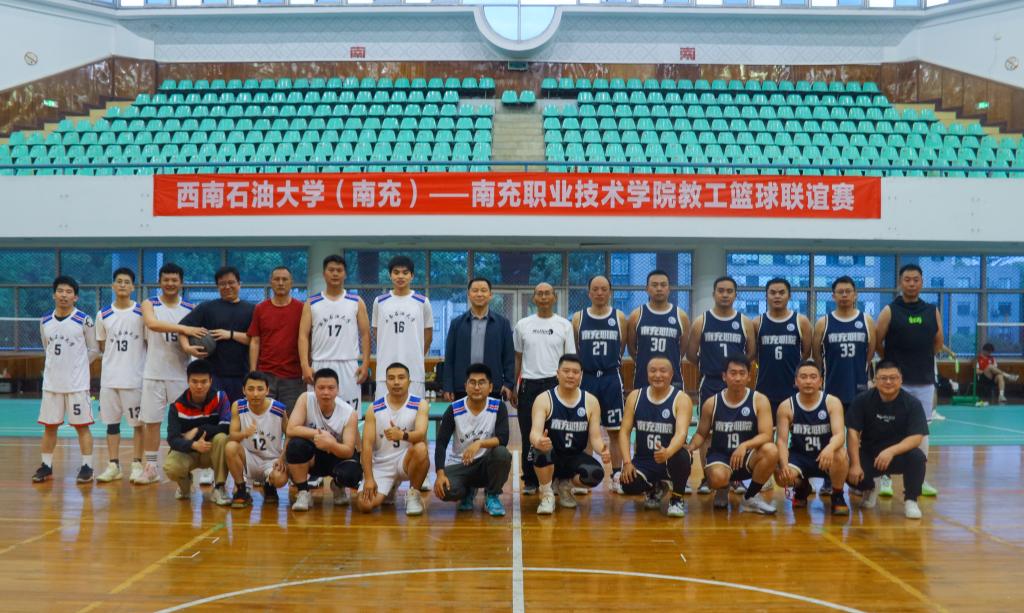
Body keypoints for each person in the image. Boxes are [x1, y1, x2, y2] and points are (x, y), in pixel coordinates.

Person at [875, 263, 943, 497]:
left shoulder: (932, 310)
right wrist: (892, 365)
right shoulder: (890, 310)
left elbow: (938, 342)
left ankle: (918, 479)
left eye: (916, 279)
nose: (911, 283)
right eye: (907, 279)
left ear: (921, 282)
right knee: (889, 426)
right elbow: (877, 342)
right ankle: (885, 478)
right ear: (900, 282)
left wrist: (920, 360)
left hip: (923, 380)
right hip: (896, 383)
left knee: (921, 430)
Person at [686, 276, 755, 495]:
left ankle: (736, 477)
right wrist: (711, 366)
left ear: (735, 294)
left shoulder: (744, 322)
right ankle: (708, 477)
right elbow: (691, 353)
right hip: (711, 381)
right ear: (714, 293)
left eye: (729, 291)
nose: (725, 294)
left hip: (737, 385)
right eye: (721, 290)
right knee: (706, 433)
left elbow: (751, 353)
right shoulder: (701, 321)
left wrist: (735, 373)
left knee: (739, 429)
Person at [687, 356, 778, 514]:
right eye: (733, 373)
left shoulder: (759, 400)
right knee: (717, 477)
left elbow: (766, 434)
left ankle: (751, 497)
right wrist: (690, 447)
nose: (737, 378)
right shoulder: (712, 403)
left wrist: (745, 445)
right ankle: (722, 489)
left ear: (749, 377)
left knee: (771, 450)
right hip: (721, 456)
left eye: (742, 373)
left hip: (747, 456)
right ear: (724, 376)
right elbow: (701, 434)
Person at [32, 275, 101, 484]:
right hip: (52, 385)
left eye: (69, 292)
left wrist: (77, 366)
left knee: (82, 426)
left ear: (75, 297)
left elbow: (94, 350)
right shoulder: (45, 321)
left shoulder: (84, 320)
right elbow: (47, 348)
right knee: (49, 427)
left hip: (77, 385)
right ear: (54, 294)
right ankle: (46, 466)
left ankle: (87, 467)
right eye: (60, 291)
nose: (64, 295)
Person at [811, 276, 875, 496]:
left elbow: (870, 353)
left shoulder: (866, 320)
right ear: (833, 296)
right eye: (840, 292)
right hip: (832, 390)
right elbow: (817, 356)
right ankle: (830, 480)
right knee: (831, 437)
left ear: (855, 294)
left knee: (859, 437)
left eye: (848, 291)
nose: (845, 295)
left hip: (858, 390)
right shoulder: (824, 323)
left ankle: (857, 481)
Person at [139, 262, 201, 485]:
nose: (170, 283)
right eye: (166, 279)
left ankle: (185, 468)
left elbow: (194, 337)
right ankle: (151, 467)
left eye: (174, 280)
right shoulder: (149, 303)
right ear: (160, 282)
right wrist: (183, 328)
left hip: (180, 374)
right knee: (152, 422)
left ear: (181, 283)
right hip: (154, 372)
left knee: (184, 424)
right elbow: (152, 324)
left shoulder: (191, 308)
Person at [528, 354, 611, 515]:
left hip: (574, 456)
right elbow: (534, 433)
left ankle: (565, 486)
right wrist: (538, 441)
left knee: (595, 474)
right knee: (540, 451)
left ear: (581, 376)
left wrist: (603, 450)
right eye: (566, 371)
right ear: (557, 373)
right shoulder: (544, 399)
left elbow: (595, 438)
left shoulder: (591, 401)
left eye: (575, 372)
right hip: (551, 454)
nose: (571, 375)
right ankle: (547, 494)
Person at [846, 360, 929, 519]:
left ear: (901, 379)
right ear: (875, 380)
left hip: (898, 455)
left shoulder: (912, 403)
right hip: (870, 454)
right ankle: (870, 488)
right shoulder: (862, 400)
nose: (888, 382)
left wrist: (890, 451)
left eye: (893, 378)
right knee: (847, 465)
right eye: (883, 378)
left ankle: (911, 500)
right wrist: (855, 464)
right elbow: (852, 432)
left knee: (918, 457)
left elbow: (917, 437)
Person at [513, 282, 575, 495]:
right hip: (529, 384)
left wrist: (570, 387)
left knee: (556, 434)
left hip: (555, 385)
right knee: (528, 434)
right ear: (534, 298)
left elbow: (569, 360)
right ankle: (530, 479)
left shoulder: (564, 325)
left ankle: (556, 478)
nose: (543, 297)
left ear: (554, 297)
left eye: (547, 293)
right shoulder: (523, 325)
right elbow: (518, 357)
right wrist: (514, 386)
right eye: (539, 293)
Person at [617, 356, 694, 517]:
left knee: (682, 456)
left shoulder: (681, 399)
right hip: (644, 459)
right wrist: (627, 462)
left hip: (670, 458)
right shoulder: (635, 396)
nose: (657, 375)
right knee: (627, 484)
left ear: (671, 375)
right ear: (647, 374)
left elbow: (681, 434)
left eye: (663, 371)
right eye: (653, 371)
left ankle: (677, 498)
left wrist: (668, 451)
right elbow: (624, 431)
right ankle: (654, 488)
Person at [572, 275, 628, 493]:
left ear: (610, 292)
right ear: (589, 293)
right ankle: (585, 477)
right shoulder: (578, 318)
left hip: (610, 378)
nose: (599, 293)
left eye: (604, 289)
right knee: (585, 429)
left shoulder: (619, 317)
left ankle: (616, 475)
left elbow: (622, 347)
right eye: (595, 289)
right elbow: (576, 349)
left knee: (615, 431)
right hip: (586, 378)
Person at [433, 363, 512, 517]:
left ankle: (492, 495)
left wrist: (479, 443)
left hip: (485, 464)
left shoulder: (498, 407)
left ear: (490, 387)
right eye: (472, 382)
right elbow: (441, 443)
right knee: (445, 490)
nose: (477, 387)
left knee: (502, 454)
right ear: (466, 386)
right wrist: (440, 474)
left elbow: (503, 439)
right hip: (460, 464)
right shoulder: (454, 409)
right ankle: (467, 491)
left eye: (482, 382)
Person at [774, 361, 849, 515]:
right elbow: (781, 441)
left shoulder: (832, 402)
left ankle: (837, 495)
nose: (808, 381)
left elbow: (840, 435)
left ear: (820, 381)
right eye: (803, 377)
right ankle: (801, 487)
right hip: (799, 456)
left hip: (825, 456)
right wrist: (784, 465)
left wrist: (830, 448)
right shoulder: (786, 406)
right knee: (779, 472)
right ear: (796, 381)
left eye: (813, 377)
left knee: (841, 454)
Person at [357, 362, 431, 516]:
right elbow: (367, 446)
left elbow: (421, 433)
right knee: (365, 505)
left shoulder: (420, 404)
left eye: (401, 378)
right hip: (382, 464)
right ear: (386, 382)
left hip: (406, 461)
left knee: (421, 448)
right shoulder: (374, 408)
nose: (396, 382)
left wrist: (402, 435)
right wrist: (369, 478)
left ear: (409, 381)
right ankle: (389, 488)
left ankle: (414, 494)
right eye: (391, 378)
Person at [95, 268, 148, 484]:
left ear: (133, 287)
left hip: (134, 379)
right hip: (109, 380)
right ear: (113, 286)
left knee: (138, 424)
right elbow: (101, 344)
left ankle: (137, 464)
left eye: (127, 282)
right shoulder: (103, 314)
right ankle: (113, 465)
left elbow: (147, 342)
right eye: (119, 281)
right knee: (111, 424)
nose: (123, 285)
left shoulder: (142, 313)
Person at [298, 254, 370, 410]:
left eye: (339, 270)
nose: (335, 273)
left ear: (345, 274)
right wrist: (305, 365)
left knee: (350, 413)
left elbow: (365, 334)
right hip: (320, 363)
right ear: (324, 273)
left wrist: (365, 363)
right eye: (331, 270)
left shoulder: (356, 301)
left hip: (348, 365)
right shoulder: (311, 302)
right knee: (317, 413)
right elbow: (303, 336)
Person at [286, 368, 362, 512]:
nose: (326, 392)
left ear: (338, 390)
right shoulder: (305, 399)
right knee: (295, 446)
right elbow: (291, 429)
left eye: (331, 388)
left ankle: (338, 486)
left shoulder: (349, 413)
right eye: (321, 388)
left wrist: (331, 444)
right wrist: (320, 434)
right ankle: (303, 492)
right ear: (314, 389)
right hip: (312, 457)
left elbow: (348, 450)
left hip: (336, 456)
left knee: (353, 473)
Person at [179, 266, 255, 403]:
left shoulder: (251, 310)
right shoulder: (206, 308)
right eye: (222, 284)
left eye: (231, 282)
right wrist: (187, 347)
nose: (227, 287)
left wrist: (230, 334)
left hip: (242, 374)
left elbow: (255, 340)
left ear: (239, 284)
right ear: (217, 286)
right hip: (213, 375)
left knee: (238, 413)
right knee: (215, 413)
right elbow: (182, 328)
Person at [162, 359, 231, 506]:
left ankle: (219, 487)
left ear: (211, 381)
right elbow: (172, 439)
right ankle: (185, 486)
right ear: (188, 381)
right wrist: (193, 445)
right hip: (190, 451)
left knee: (222, 438)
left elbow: (226, 427)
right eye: (194, 381)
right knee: (171, 467)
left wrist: (198, 430)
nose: (199, 386)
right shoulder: (177, 406)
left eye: (204, 381)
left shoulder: (220, 398)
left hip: (211, 450)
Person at [442, 277, 515, 402]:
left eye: (483, 290)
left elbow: (509, 358)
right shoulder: (456, 324)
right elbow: (449, 358)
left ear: (490, 295)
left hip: (492, 388)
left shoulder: (502, 324)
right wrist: (448, 385)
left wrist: (508, 384)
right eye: (475, 290)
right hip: (462, 387)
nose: (479, 294)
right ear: (469, 295)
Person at [224, 371, 288, 508]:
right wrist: (244, 433)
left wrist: (282, 457)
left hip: (271, 460)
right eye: (251, 389)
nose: (255, 394)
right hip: (249, 458)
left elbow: (290, 435)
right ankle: (241, 490)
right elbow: (232, 436)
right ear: (244, 390)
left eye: (260, 389)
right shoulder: (238, 406)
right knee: (230, 447)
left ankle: (269, 486)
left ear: (267, 390)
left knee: (280, 479)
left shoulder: (278, 409)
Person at [372, 255, 433, 399]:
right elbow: (376, 332)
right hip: (385, 369)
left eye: (405, 273)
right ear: (390, 275)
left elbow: (428, 334)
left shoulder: (422, 302)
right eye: (396, 272)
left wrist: (417, 355)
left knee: (415, 410)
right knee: (383, 411)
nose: (400, 276)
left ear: (412, 276)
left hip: (414, 370)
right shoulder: (380, 302)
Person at [247, 266, 305, 413]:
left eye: (284, 279)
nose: (280, 283)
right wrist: (253, 371)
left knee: (291, 420)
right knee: (263, 418)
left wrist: (306, 367)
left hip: (293, 377)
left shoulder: (302, 309)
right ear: (270, 282)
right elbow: (255, 341)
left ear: (291, 282)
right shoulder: (260, 308)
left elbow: (306, 339)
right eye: (277, 279)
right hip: (266, 375)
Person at [753, 278, 812, 420]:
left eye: (781, 292)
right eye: (773, 293)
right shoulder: (757, 322)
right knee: (766, 430)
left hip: (793, 388)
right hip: (764, 387)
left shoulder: (801, 321)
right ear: (766, 296)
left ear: (789, 295)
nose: (777, 296)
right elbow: (754, 354)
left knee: (794, 428)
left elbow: (806, 352)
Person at [627, 269, 688, 390]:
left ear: (669, 289)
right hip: (643, 377)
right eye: (654, 285)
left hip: (672, 378)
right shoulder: (636, 315)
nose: (659, 288)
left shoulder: (681, 316)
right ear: (647, 289)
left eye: (663, 285)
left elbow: (682, 349)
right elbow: (632, 348)